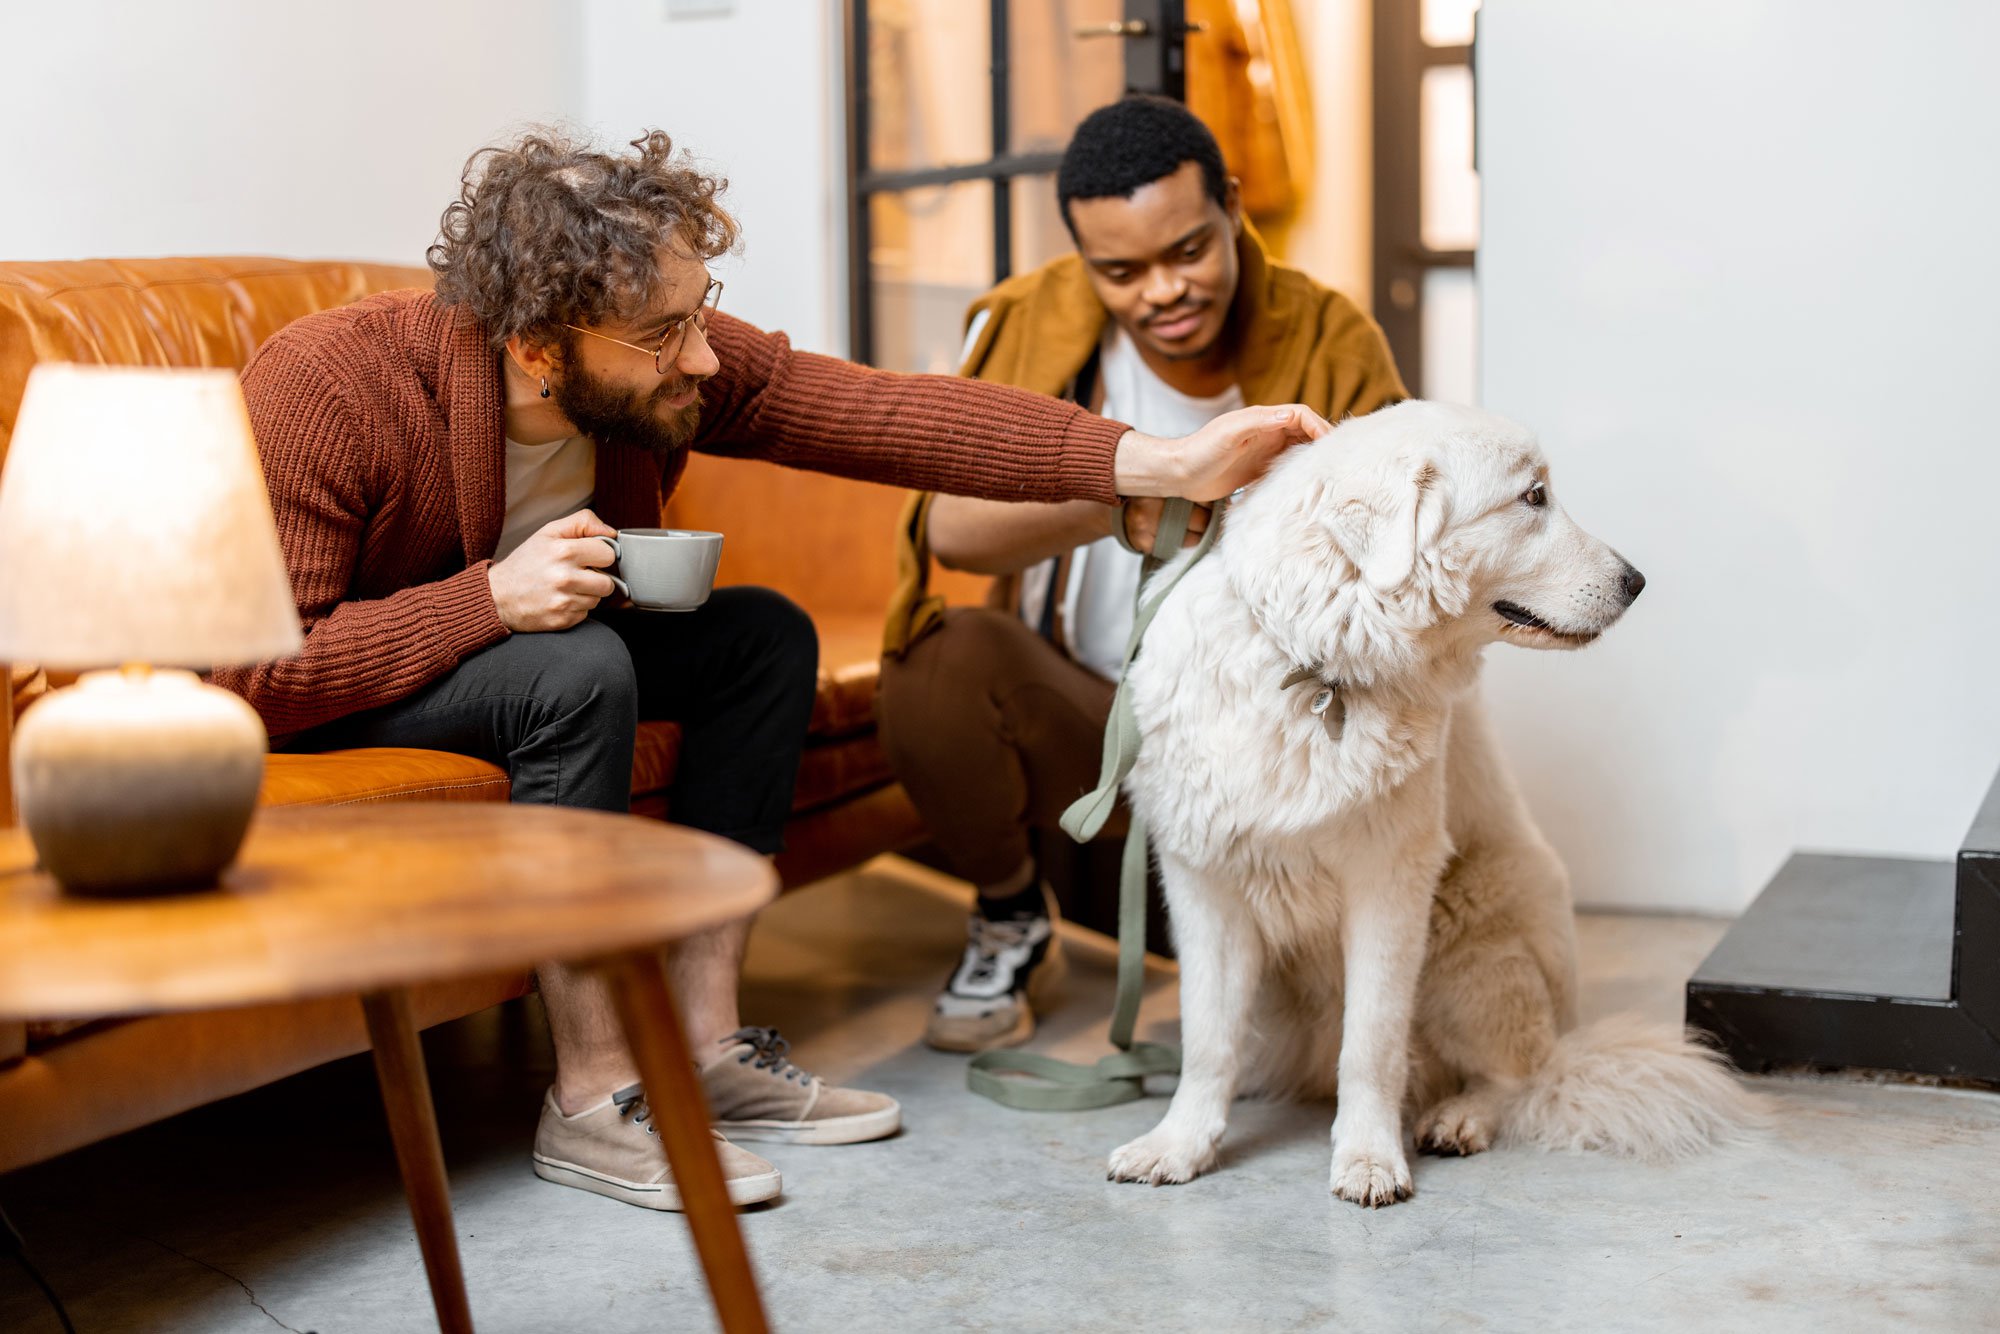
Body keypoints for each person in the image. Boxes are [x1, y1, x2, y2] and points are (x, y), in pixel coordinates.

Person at [210, 127, 1329, 1212]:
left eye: (700, 313)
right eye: (666, 333)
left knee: (759, 638)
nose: (701, 354)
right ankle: (594, 1092)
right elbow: (257, 676)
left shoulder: (652, 362)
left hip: (531, 646)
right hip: (354, 692)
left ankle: (705, 1048)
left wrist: (1160, 459)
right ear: (540, 347)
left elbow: (885, 414)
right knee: (579, 666)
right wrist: (485, 600)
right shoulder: (331, 387)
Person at [877, 96, 1406, 1054]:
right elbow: (950, 528)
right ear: (1082, 256)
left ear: (1234, 207)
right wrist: (1125, 492)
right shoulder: (1030, 321)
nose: (1163, 290)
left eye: (1190, 251)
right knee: (936, 661)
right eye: (1120, 271)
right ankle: (1011, 914)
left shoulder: (1332, 338)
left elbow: (1401, 561)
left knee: (1287, 1030)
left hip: (1272, 741)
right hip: (1096, 718)